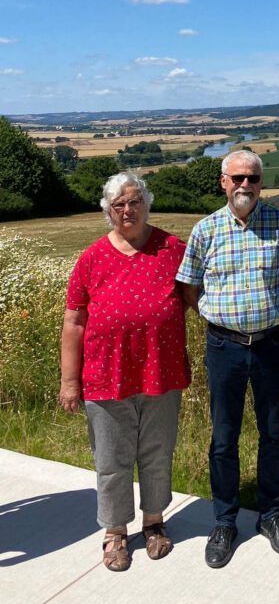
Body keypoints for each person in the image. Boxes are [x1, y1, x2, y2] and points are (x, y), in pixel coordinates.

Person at [176, 150, 279, 568]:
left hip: (271, 342)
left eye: (252, 177)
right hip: (224, 346)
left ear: (261, 183)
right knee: (224, 436)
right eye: (237, 178)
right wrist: (215, 318)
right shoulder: (205, 230)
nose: (245, 185)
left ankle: (270, 515)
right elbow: (189, 287)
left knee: (273, 431)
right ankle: (225, 520)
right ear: (223, 182)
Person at [59, 172, 190, 572]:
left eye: (134, 201)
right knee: (112, 460)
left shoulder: (172, 248)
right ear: (108, 211)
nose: (128, 210)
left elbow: (193, 298)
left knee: (156, 453)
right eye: (119, 205)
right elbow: (74, 322)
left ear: (146, 203)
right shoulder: (92, 258)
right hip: (105, 375)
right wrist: (69, 380)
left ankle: (153, 522)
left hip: (160, 372)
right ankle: (115, 531)